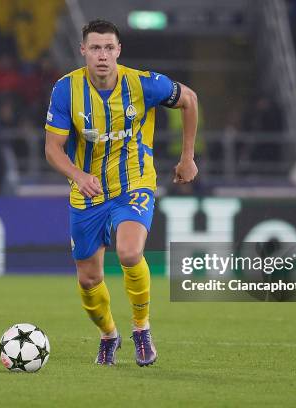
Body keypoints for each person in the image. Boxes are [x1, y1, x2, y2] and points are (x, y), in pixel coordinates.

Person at [44, 19, 198, 366]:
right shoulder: (66, 89)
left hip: (133, 184)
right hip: (88, 193)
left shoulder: (143, 84)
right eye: (95, 48)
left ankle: (141, 328)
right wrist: (78, 175)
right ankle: (108, 334)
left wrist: (187, 157)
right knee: (89, 279)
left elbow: (189, 99)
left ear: (118, 51)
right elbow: (52, 148)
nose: (102, 55)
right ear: (83, 50)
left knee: (129, 253)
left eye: (108, 48)